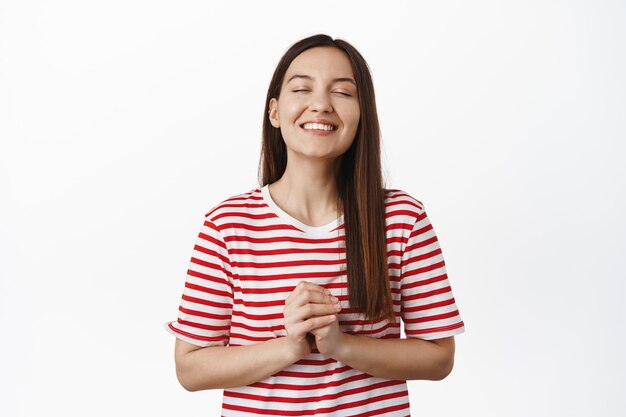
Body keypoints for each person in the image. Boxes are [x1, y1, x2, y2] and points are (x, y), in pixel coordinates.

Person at [163, 33, 465, 416]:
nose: (320, 105)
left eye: (342, 92)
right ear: (274, 112)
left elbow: (439, 358)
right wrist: (290, 346)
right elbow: (190, 368)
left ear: (363, 115)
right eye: (302, 89)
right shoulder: (228, 225)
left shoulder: (402, 219)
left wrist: (341, 345)